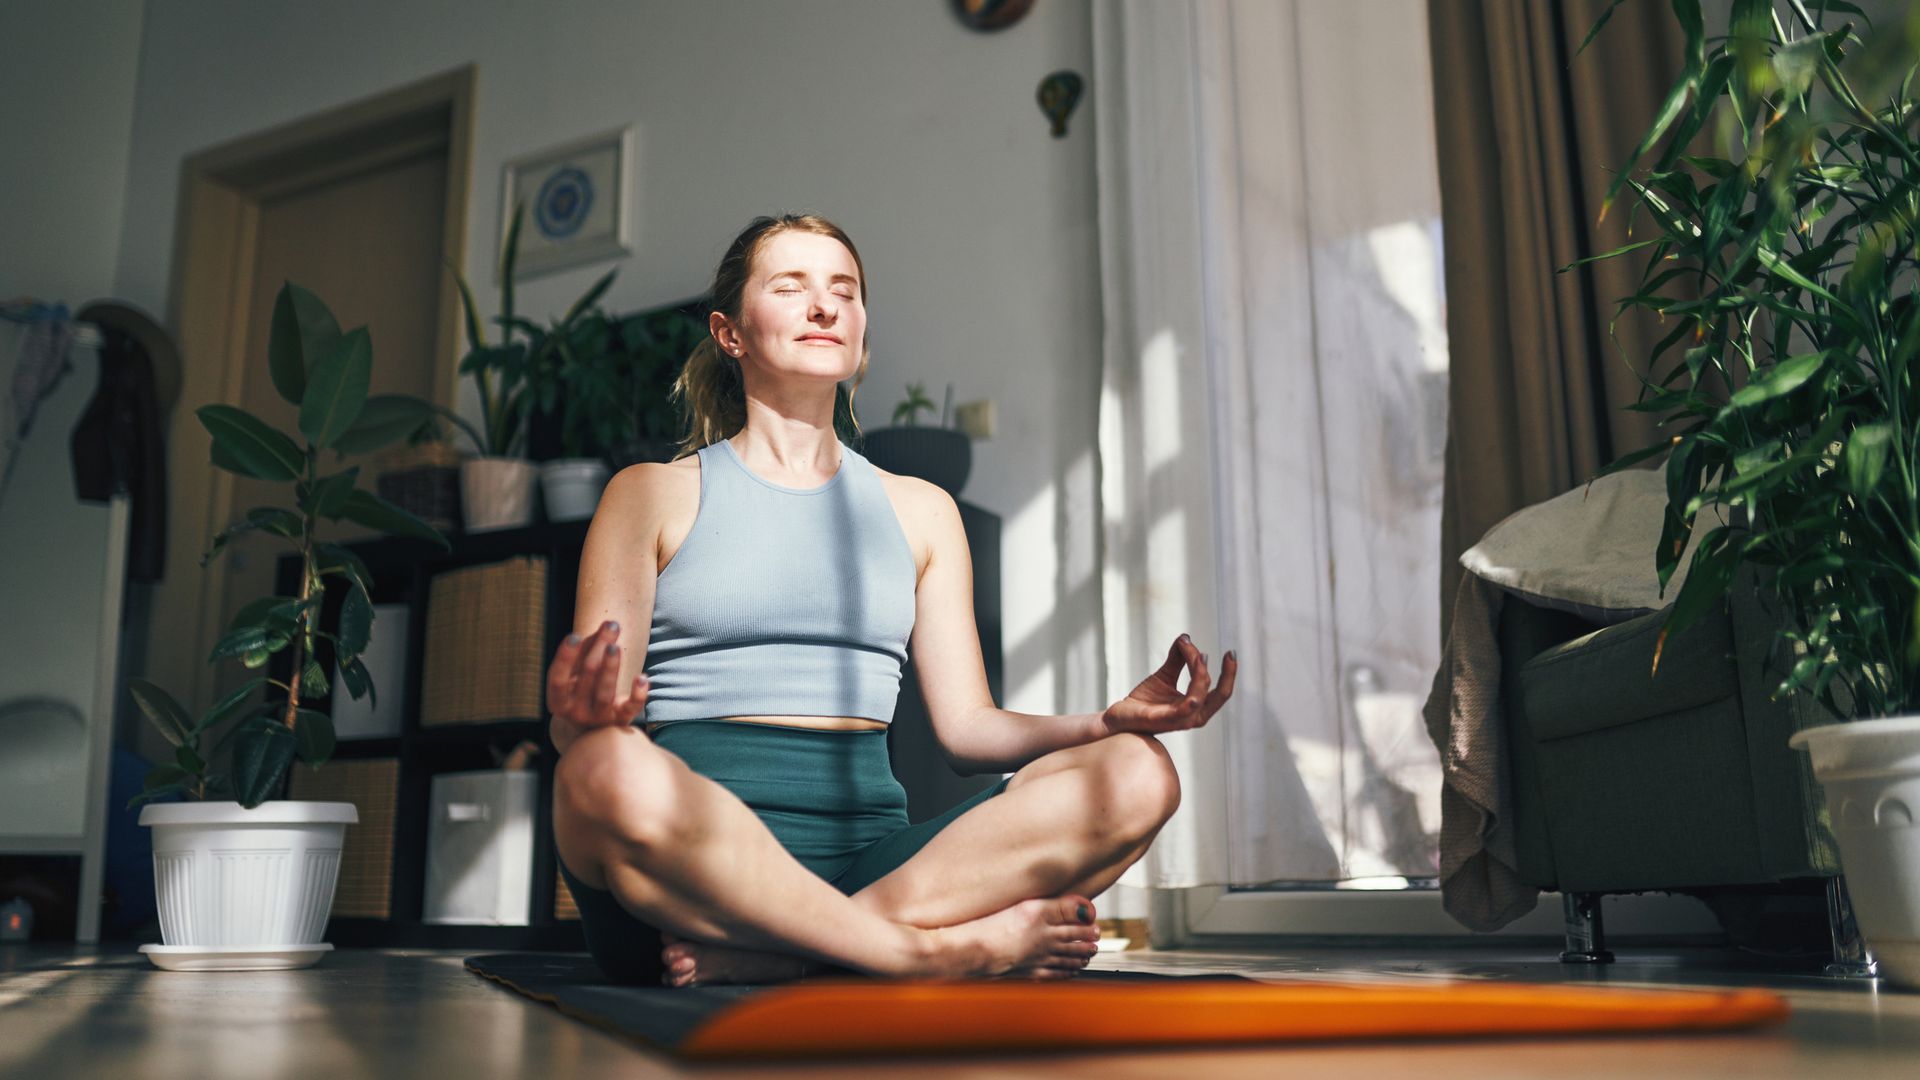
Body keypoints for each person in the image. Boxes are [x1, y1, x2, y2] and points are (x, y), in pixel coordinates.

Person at [547, 213, 1238, 987]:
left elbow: (968, 731)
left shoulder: (922, 510)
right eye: (792, 287)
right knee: (600, 769)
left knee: (1141, 774)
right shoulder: (649, 495)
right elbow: (589, 724)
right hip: (695, 878)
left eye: (844, 290)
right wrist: (577, 724)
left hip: (879, 868)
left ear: (861, 329)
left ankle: (793, 957)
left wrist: (1103, 723)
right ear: (729, 333)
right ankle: (929, 951)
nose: (824, 305)